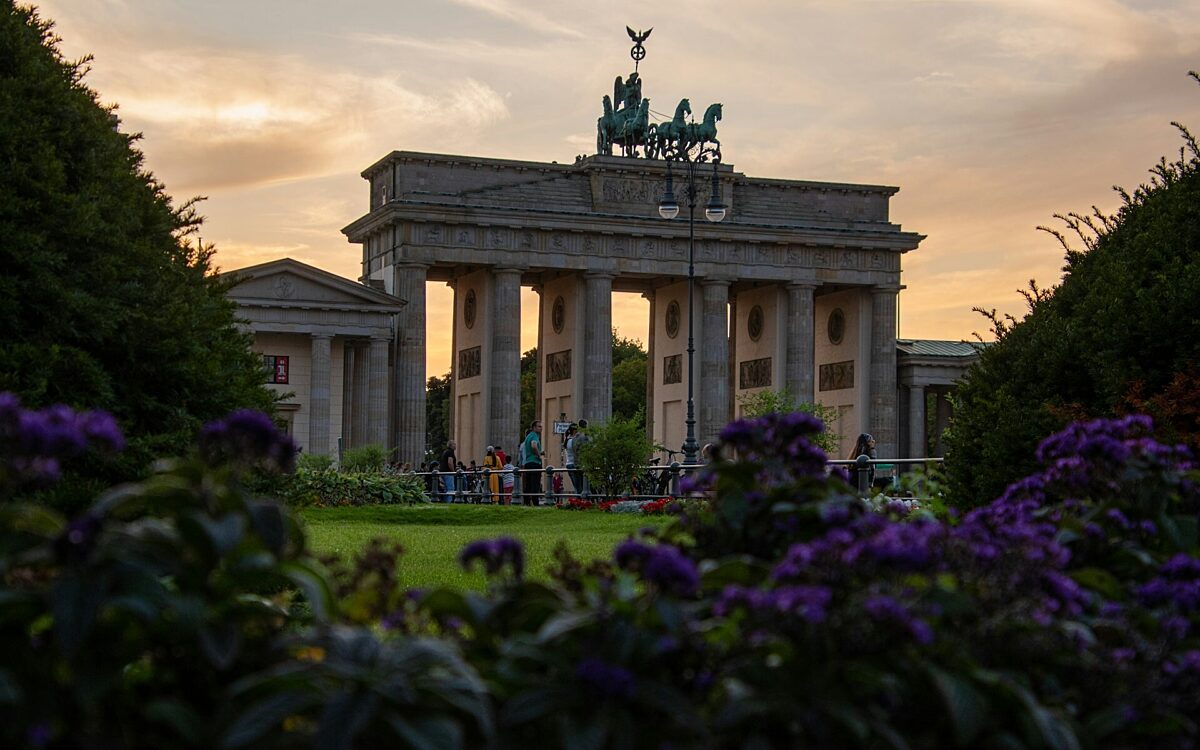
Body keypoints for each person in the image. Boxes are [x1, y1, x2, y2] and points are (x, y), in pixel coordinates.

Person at [520, 419, 543, 506]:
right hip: (535, 462)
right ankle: (535, 502)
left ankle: (527, 502)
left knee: (528, 484)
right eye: (539, 426)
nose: (541, 428)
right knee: (535, 484)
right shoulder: (534, 436)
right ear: (534, 427)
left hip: (528, 462)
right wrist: (539, 455)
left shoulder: (528, 436)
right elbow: (533, 446)